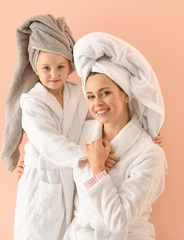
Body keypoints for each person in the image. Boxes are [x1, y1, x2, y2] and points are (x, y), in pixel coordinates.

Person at [64, 32, 167, 239]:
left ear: (126, 94)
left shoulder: (149, 154)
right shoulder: (82, 133)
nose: (97, 103)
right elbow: (56, 153)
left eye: (105, 93)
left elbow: (118, 222)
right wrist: (30, 164)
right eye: (91, 96)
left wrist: (97, 169)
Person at [0, 14, 93, 240]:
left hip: (72, 179)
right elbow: (47, 141)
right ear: (36, 66)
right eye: (46, 68)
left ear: (69, 64)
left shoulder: (77, 94)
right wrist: (88, 155)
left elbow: (98, 121)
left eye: (60, 66)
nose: (54, 74)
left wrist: (139, 133)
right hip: (42, 183)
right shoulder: (32, 101)